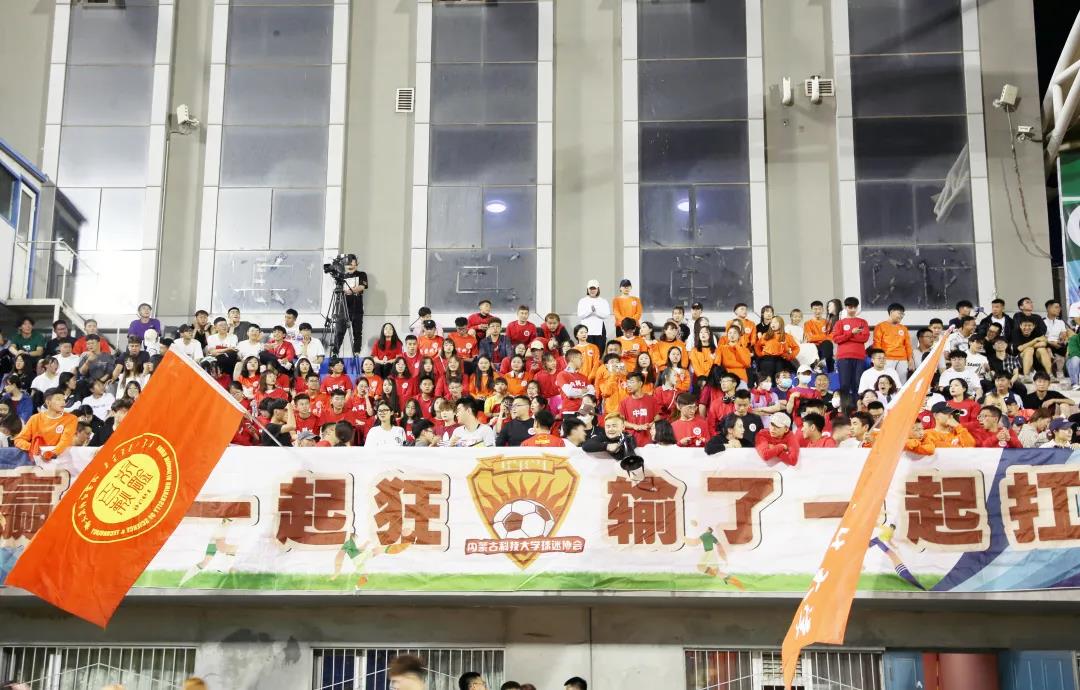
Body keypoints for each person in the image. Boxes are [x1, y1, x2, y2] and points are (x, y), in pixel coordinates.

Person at [13, 388, 78, 461]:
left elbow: (66, 440)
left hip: (61, 459)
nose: (63, 402)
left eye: (63, 399)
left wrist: (52, 453)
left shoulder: (71, 418)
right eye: (58, 399)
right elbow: (19, 440)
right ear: (48, 402)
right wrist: (33, 447)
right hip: (38, 459)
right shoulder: (35, 418)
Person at [833, 296, 870, 397]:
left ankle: (858, 405)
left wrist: (847, 336)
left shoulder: (862, 322)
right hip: (843, 357)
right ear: (845, 307)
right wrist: (851, 333)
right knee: (844, 385)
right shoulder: (840, 323)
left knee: (858, 384)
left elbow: (864, 338)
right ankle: (845, 406)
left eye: (855, 307)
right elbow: (836, 339)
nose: (853, 310)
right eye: (850, 307)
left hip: (859, 357)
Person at [340, 254, 368, 354]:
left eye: (353, 264)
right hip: (343, 309)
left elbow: (362, 287)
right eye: (349, 264)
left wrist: (350, 291)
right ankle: (335, 352)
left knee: (357, 332)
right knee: (340, 332)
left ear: (357, 264)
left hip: (357, 308)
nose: (351, 266)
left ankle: (356, 352)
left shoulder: (362, 274)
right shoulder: (342, 276)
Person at [577, 279, 611, 350]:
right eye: (590, 289)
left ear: (598, 289)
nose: (592, 291)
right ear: (587, 289)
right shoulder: (582, 301)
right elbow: (580, 315)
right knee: (586, 350)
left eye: (594, 288)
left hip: (599, 330)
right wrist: (590, 310)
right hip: (586, 331)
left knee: (599, 350)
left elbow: (606, 315)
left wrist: (595, 311)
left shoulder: (603, 301)